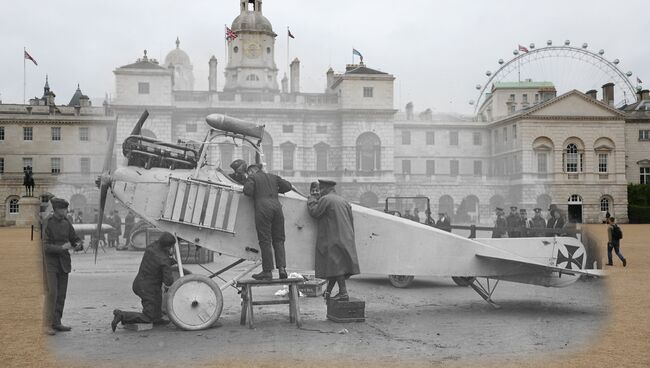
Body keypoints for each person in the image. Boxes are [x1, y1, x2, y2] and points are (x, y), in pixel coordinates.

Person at [111, 232, 177, 331]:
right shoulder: (164, 260)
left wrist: (168, 258)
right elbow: (168, 281)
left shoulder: (152, 247)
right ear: (168, 247)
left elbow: (157, 259)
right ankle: (122, 315)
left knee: (157, 301)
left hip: (141, 283)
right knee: (148, 317)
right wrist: (169, 262)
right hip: (147, 289)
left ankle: (157, 319)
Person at [307, 179, 360, 301]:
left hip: (334, 238)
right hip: (346, 237)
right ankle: (329, 291)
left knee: (336, 265)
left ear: (325, 188)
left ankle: (343, 293)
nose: (319, 192)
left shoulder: (326, 200)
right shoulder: (343, 201)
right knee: (336, 266)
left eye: (320, 189)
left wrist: (311, 200)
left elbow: (315, 212)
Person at [243, 163, 293, 280]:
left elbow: (248, 191)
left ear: (251, 171)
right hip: (277, 208)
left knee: (265, 240)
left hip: (263, 209)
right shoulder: (273, 176)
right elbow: (288, 186)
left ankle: (267, 271)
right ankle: (282, 269)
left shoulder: (252, 177)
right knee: (279, 240)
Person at [42, 197, 83, 335]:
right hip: (50, 263)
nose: (66, 211)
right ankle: (46, 324)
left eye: (66, 208)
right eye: (64, 209)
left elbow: (75, 238)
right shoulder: (47, 222)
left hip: (64, 262)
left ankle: (57, 322)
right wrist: (62, 248)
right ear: (57, 209)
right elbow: (44, 246)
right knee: (52, 293)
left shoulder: (66, 222)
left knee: (61, 294)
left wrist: (78, 244)